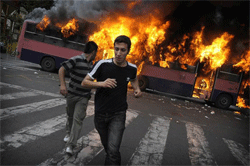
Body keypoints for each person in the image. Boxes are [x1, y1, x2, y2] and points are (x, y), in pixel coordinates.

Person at [81, 35, 142, 165]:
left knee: (113, 150)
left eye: (123, 50)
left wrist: (137, 89)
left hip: (118, 113)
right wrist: (101, 84)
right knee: (108, 147)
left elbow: (134, 79)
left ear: (128, 51)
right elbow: (84, 82)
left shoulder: (132, 68)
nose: (119, 53)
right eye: (116, 49)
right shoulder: (102, 64)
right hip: (101, 113)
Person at [58, 41, 98, 155]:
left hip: (83, 97)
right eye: (96, 53)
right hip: (71, 94)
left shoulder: (93, 65)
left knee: (78, 119)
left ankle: (71, 145)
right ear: (93, 52)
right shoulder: (76, 59)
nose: (96, 55)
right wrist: (62, 85)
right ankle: (68, 133)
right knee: (70, 116)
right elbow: (62, 69)